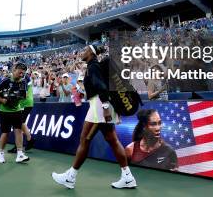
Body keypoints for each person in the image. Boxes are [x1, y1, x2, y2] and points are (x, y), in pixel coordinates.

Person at [52, 44, 137, 189]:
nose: (82, 53)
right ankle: (128, 177)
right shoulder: (92, 66)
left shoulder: (93, 66)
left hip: (99, 105)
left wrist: (105, 108)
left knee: (85, 139)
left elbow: (101, 87)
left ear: (91, 53)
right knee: (112, 140)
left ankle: (70, 177)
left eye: (85, 50)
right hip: (100, 105)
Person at [0, 62, 30, 164]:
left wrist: (14, 96)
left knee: (18, 131)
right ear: (14, 70)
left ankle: (20, 154)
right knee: (6, 133)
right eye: (20, 72)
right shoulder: (6, 81)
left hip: (17, 110)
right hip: (4, 111)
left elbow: (24, 96)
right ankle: (0, 154)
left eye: (23, 73)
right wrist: (2, 100)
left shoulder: (24, 82)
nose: (21, 75)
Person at [8, 70, 36, 154]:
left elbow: (25, 94)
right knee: (20, 124)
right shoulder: (22, 77)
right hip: (23, 104)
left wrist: (12, 97)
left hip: (25, 103)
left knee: (18, 124)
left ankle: (27, 141)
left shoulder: (24, 78)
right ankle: (29, 139)